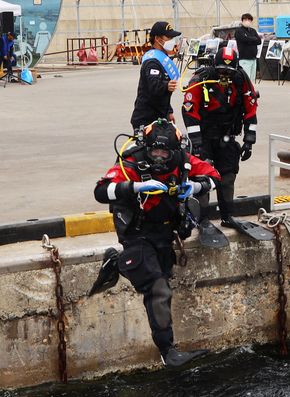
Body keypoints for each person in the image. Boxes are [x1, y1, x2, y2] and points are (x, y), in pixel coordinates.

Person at [94, 118, 219, 368]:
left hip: (164, 234)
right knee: (158, 289)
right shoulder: (132, 161)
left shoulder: (182, 159)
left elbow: (214, 176)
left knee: (160, 282)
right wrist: (136, 185)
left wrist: (195, 186)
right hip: (137, 233)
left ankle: (117, 262)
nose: (159, 157)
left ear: (174, 150)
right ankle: (168, 352)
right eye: (154, 152)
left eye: (164, 152)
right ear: (147, 147)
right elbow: (100, 191)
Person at [182, 45, 258, 227]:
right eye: (221, 70)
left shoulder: (241, 80)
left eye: (229, 71)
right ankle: (203, 218)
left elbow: (250, 108)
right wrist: (197, 144)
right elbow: (189, 112)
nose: (224, 75)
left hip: (226, 136)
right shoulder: (201, 79)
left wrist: (249, 141)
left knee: (228, 176)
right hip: (204, 136)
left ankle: (227, 216)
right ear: (215, 66)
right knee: (202, 176)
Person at [130, 21, 182, 130]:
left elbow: (162, 95)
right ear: (158, 39)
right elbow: (153, 85)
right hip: (146, 119)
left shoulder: (163, 59)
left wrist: (169, 111)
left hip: (160, 116)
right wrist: (166, 86)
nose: (172, 41)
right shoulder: (152, 62)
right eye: (169, 37)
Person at [234, 13, 261, 83]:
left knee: (251, 79)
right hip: (244, 59)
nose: (247, 21)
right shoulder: (239, 31)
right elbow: (243, 39)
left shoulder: (253, 31)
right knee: (245, 79)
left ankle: (250, 92)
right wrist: (252, 39)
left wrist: (249, 40)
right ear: (242, 20)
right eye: (245, 19)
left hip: (253, 58)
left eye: (249, 19)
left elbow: (259, 41)